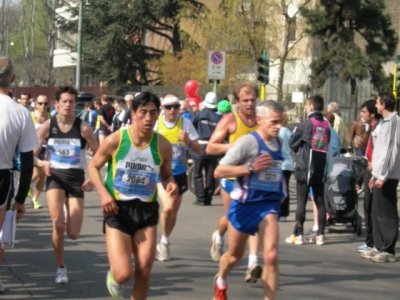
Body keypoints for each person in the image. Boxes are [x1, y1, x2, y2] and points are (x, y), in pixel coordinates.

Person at [87, 91, 178, 300]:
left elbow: (166, 175)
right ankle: (114, 275)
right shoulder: (116, 139)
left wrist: (170, 183)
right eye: (143, 112)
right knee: (124, 274)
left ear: (158, 115)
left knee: (144, 272)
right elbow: (93, 166)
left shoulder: (163, 145)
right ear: (134, 114)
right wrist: (103, 195)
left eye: (153, 113)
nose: (148, 118)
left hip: (146, 211)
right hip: (117, 209)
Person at [213, 100, 285, 300]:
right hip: (244, 205)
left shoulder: (279, 141)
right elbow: (219, 171)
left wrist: (281, 191)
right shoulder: (247, 142)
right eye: (275, 122)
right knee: (234, 256)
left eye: (282, 122)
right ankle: (221, 282)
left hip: (267, 205)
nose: (279, 126)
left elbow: (277, 170)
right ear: (260, 120)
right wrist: (250, 168)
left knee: (271, 256)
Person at [35, 86, 98, 284]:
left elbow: (101, 156)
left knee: (73, 233)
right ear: (57, 104)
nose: (68, 105)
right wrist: (42, 163)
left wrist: (93, 178)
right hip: (55, 177)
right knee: (59, 225)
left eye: (72, 102)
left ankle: (67, 209)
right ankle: (61, 267)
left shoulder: (83, 128)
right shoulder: (48, 125)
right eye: (65, 101)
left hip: (76, 180)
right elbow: (31, 154)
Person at [206, 81, 262, 283]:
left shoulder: (261, 119)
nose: (250, 104)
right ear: (237, 102)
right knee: (232, 220)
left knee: (254, 219)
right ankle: (218, 235)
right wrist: (234, 146)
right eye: (245, 100)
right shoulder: (231, 120)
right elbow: (211, 148)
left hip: (254, 178)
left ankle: (253, 264)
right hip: (231, 178)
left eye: (253, 100)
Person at [0, 56, 39, 292]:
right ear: (13, 79)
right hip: (2, 176)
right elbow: (27, 162)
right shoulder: (21, 113)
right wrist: (21, 199)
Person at [154, 93, 201, 261]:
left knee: (173, 211)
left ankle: (164, 241)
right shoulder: (156, 123)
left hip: (179, 174)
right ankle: (164, 244)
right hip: (160, 173)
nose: (173, 110)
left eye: (176, 106)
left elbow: (198, 150)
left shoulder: (185, 123)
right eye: (168, 107)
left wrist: (188, 141)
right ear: (163, 109)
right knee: (167, 207)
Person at [285, 95, 332, 245]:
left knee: (301, 201)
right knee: (320, 201)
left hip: (305, 167)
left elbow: (292, 143)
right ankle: (320, 235)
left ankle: (298, 235)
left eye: (306, 106)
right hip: (320, 167)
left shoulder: (306, 124)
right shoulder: (326, 125)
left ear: (311, 107)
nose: (306, 108)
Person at [361, 92, 400, 263]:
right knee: (377, 212)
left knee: (386, 213)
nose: (375, 105)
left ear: (383, 105)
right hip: (379, 174)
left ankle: (388, 249)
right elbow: (379, 151)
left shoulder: (393, 122)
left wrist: (382, 176)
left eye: (377, 102)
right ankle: (378, 245)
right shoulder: (384, 123)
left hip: (388, 176)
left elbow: (391, 151)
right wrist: (375, 173)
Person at [355, 100, 381, 254]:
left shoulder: (378, 129)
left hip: (374, 170)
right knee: (368, 206)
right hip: (369, 169)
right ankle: (371, 241)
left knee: (372, 208)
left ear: (372, 114)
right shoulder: (372, 129)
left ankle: (372, 242)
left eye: (364, 112)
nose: (361, 114)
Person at [191, 92, 222, 206]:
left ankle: (200, 198)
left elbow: (191, 128)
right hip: (213, 148)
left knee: (197, 173)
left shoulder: (199, 115)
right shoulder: (219, 118)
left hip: (199, 147)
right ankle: (208, 198)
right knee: (210, 174)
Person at [30, 95, 51, 209]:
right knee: (37, 174)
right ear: (36, 104)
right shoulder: (30, 116)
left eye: (45, 104)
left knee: (42, 176)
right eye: (40, 103)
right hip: (31, 149)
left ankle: (35, 198)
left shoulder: (50, 117)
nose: (43, 106)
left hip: (44, 149)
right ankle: (25, 183)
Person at [278, 113, 293, 221]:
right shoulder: (288, 132)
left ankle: (281, 212)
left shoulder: (278, 131)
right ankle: (284, 213)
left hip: (280, 163)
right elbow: (292, 148)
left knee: (278, 189)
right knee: (285, 189)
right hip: (288, 163)